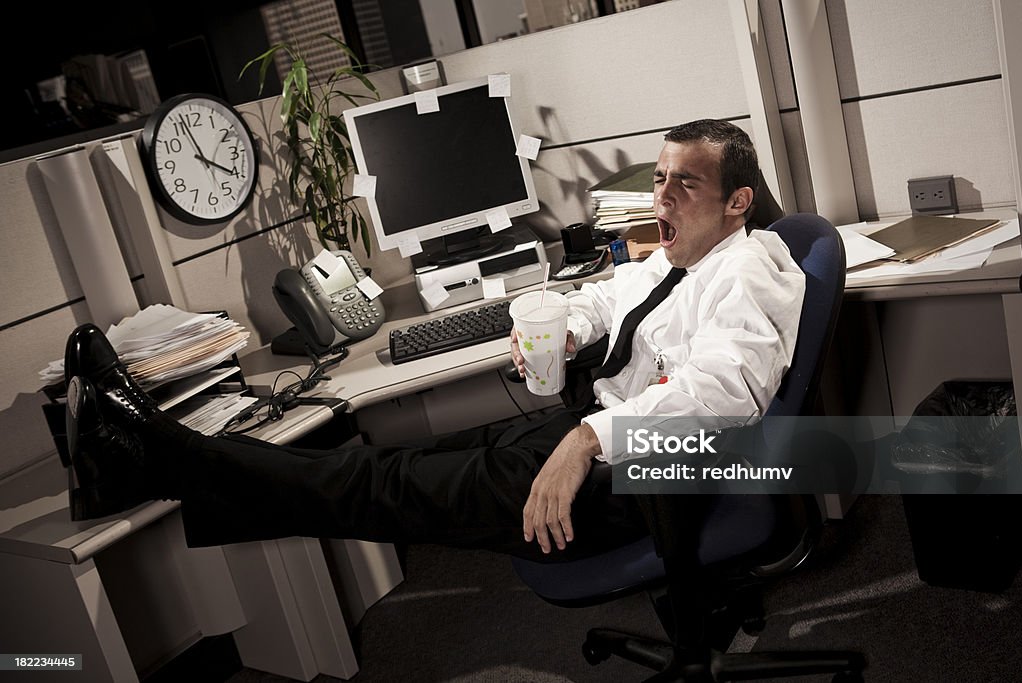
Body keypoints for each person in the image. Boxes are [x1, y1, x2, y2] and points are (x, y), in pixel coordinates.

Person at [63, 119, 804, 563]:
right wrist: (565, 325)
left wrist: (585, 440)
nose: (661, 198)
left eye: (686, 186)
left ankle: (154, 453)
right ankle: (154, 465)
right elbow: (607, 298)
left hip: (637, 482)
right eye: (661, 178)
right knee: (386, 467)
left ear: (738, 201)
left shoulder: (750, 268)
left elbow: (724, 395)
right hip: (589, 434)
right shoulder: (680, 256)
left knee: (379, 486)